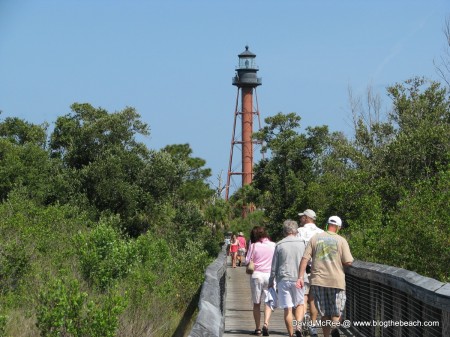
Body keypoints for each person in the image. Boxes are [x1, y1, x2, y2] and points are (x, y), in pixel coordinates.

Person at [296, 216, 354, 337]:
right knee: (337, 311)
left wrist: (300, 277)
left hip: (318, 280)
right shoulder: (341, 240)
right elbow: (348, 262)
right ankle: (334, 327)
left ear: (327, 224)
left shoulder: (315, 238)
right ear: (338, 227)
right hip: (336, 280)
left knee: (324, 313)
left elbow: (305, 259)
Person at [269, 220, 306, 337]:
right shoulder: (303, 243)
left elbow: (274, 266)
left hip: (283, 279)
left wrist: (271, 281)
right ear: (296, 230)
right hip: (298, 278)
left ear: (285, 231)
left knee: (287, 309)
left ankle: (291, 334)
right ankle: (298, 326)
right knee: (300, 304)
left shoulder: (279, 245)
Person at [297, 209, 323, 337]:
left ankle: (300, 325)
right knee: (313, 299)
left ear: (307, 218)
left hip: (303, 269)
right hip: (318, 270)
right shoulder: (321, 233)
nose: (301, 219)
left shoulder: (299, 232)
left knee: (303, 299)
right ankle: (313, 326)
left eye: (302, 217)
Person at [245, 226, 276, 336]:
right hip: (269, 276)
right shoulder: (273, 245)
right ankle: (266, 324)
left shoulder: (253, 246)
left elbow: (247, 261)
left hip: (256, 275)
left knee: (256, 303)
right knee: (268, 301)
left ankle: (258, 329)